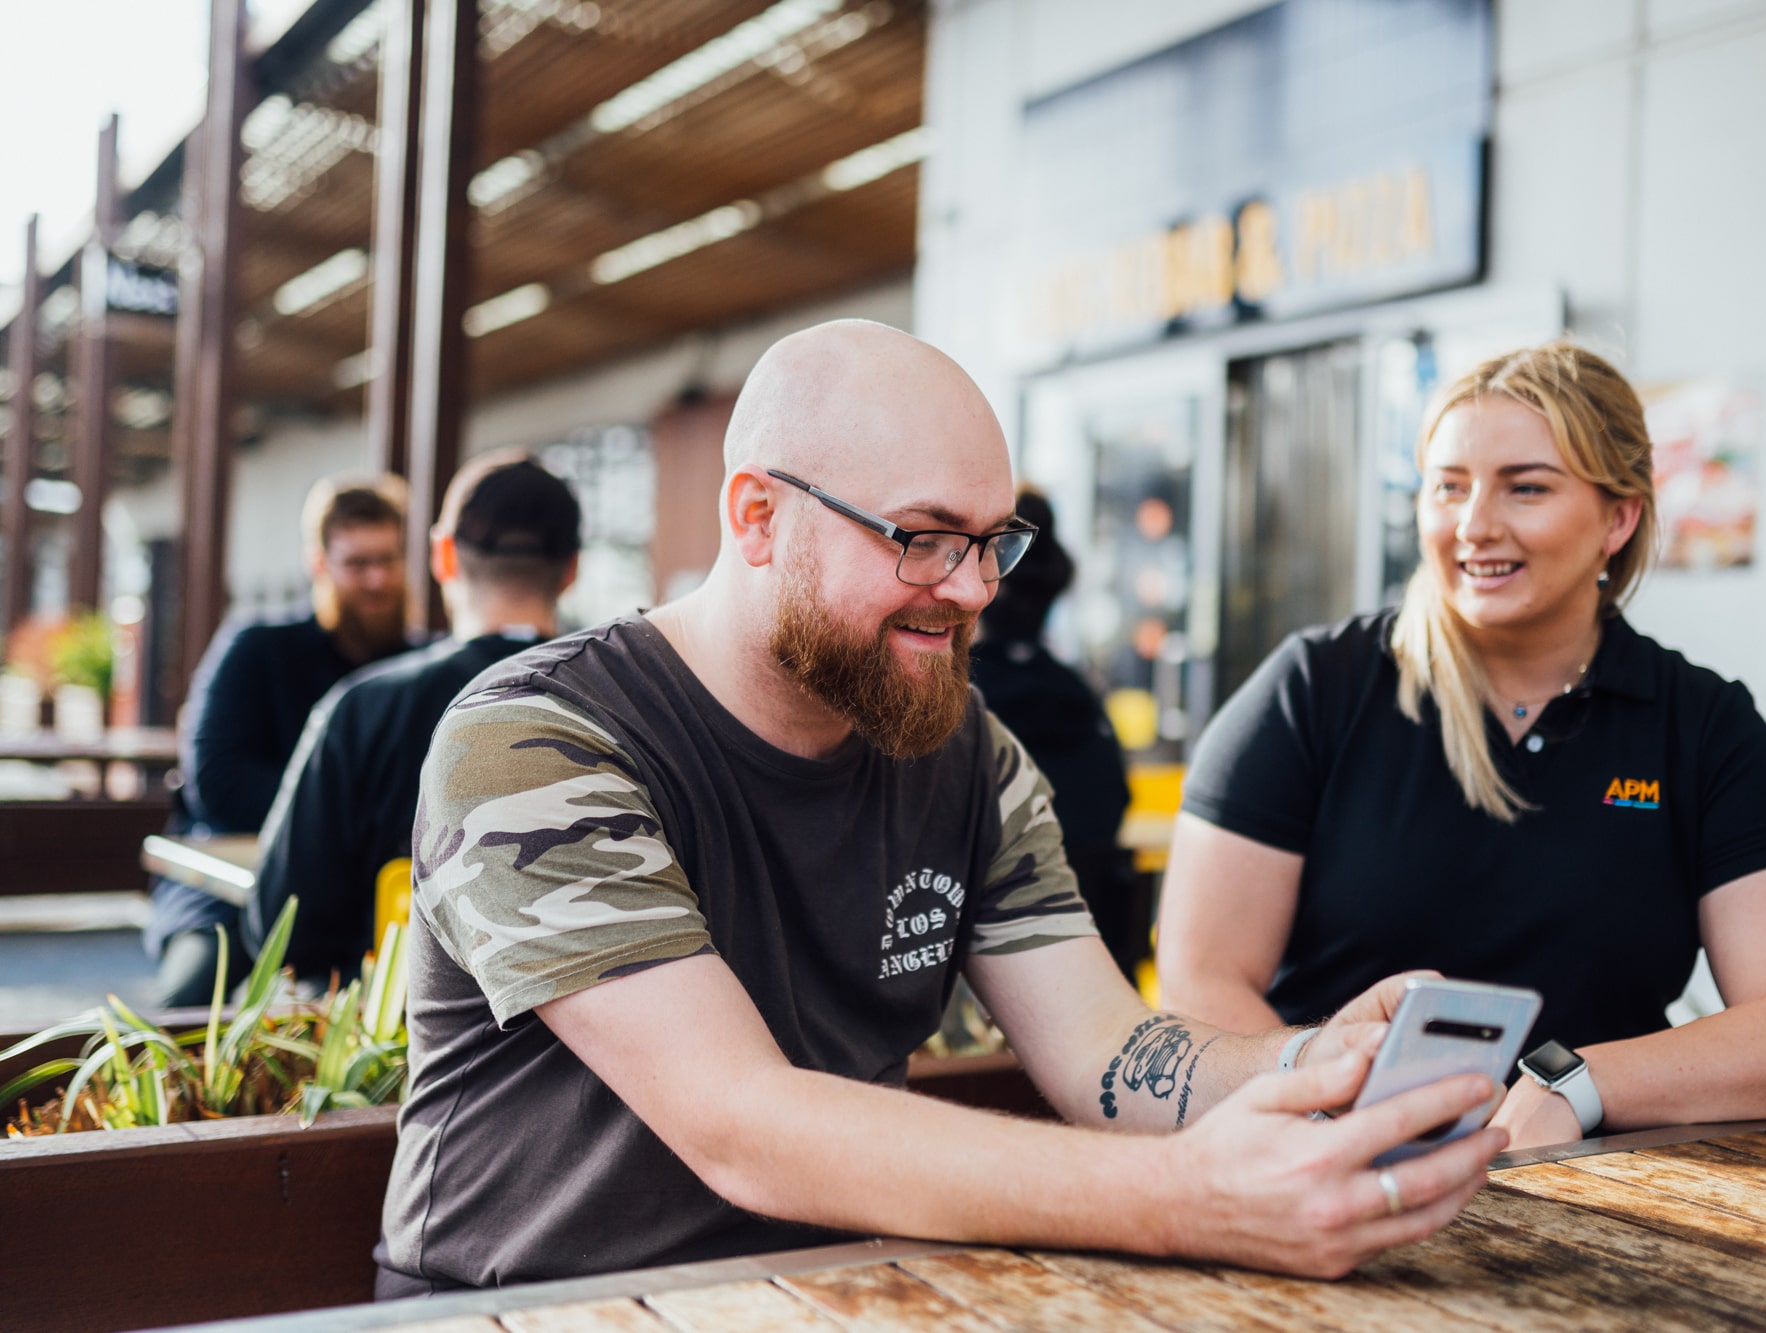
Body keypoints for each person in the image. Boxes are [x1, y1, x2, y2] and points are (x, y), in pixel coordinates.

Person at [374, 320, 1506, 1296]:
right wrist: (1184, 1195)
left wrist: (1316, 1065)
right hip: (528, 1308)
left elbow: (1105, 1050)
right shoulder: (535, 740)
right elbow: (741, 1123)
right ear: (758, 517)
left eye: (990, 540)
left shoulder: (963, 747)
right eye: (920, 536)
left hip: (835, 1293)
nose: (970, 588)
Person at [1155, 341, 1766, 1152]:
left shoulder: (1701, 727)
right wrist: (1341, 1119)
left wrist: (1575, 1084)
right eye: (1449, 487)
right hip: (1322, 1169)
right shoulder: (1314, 690)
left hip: (1603, 1196)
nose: (1475, 525)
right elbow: (1199, 984)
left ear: (1619, 517)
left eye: (1525, 487)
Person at [244, 453, 582, 990]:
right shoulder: (634, 704)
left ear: (443, 555)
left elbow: (283, 926)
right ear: (571, 569)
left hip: (393, 1041)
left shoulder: (361, 708)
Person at [147, 476, 413, 1007]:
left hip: (364, 897)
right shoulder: (255, 649)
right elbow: (218, 785)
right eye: (357, 563)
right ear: (319, 562)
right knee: (180, 1013)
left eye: (388, 559)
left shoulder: (421, 667)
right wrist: (354, 822)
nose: (378, 579)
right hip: (231, 891)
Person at [969, 488, 1139, 974]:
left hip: (998, 957)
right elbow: (1113, 802)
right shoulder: (1076, 695)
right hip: (1096, 942)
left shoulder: (962, 705)